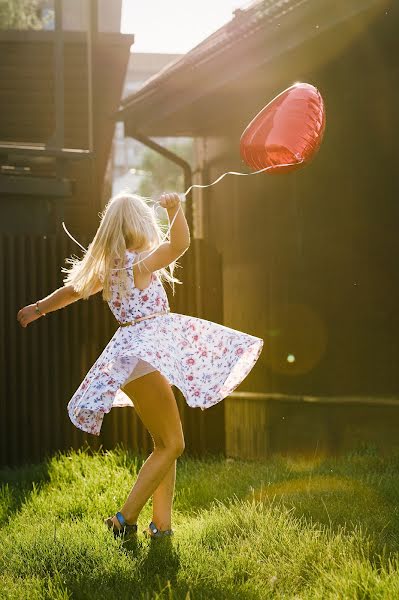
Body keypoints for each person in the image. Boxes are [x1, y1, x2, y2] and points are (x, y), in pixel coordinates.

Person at [16, 191, 264, 541]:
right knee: (174, 444)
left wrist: (37, 308)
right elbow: (179, 245)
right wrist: (175, 209)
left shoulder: (110, 269)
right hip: (144, 355)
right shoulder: (139, 262)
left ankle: (161, 527)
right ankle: (123, 518)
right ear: (139, 224)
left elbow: (71, 291)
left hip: (130, 355)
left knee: (164, 444)